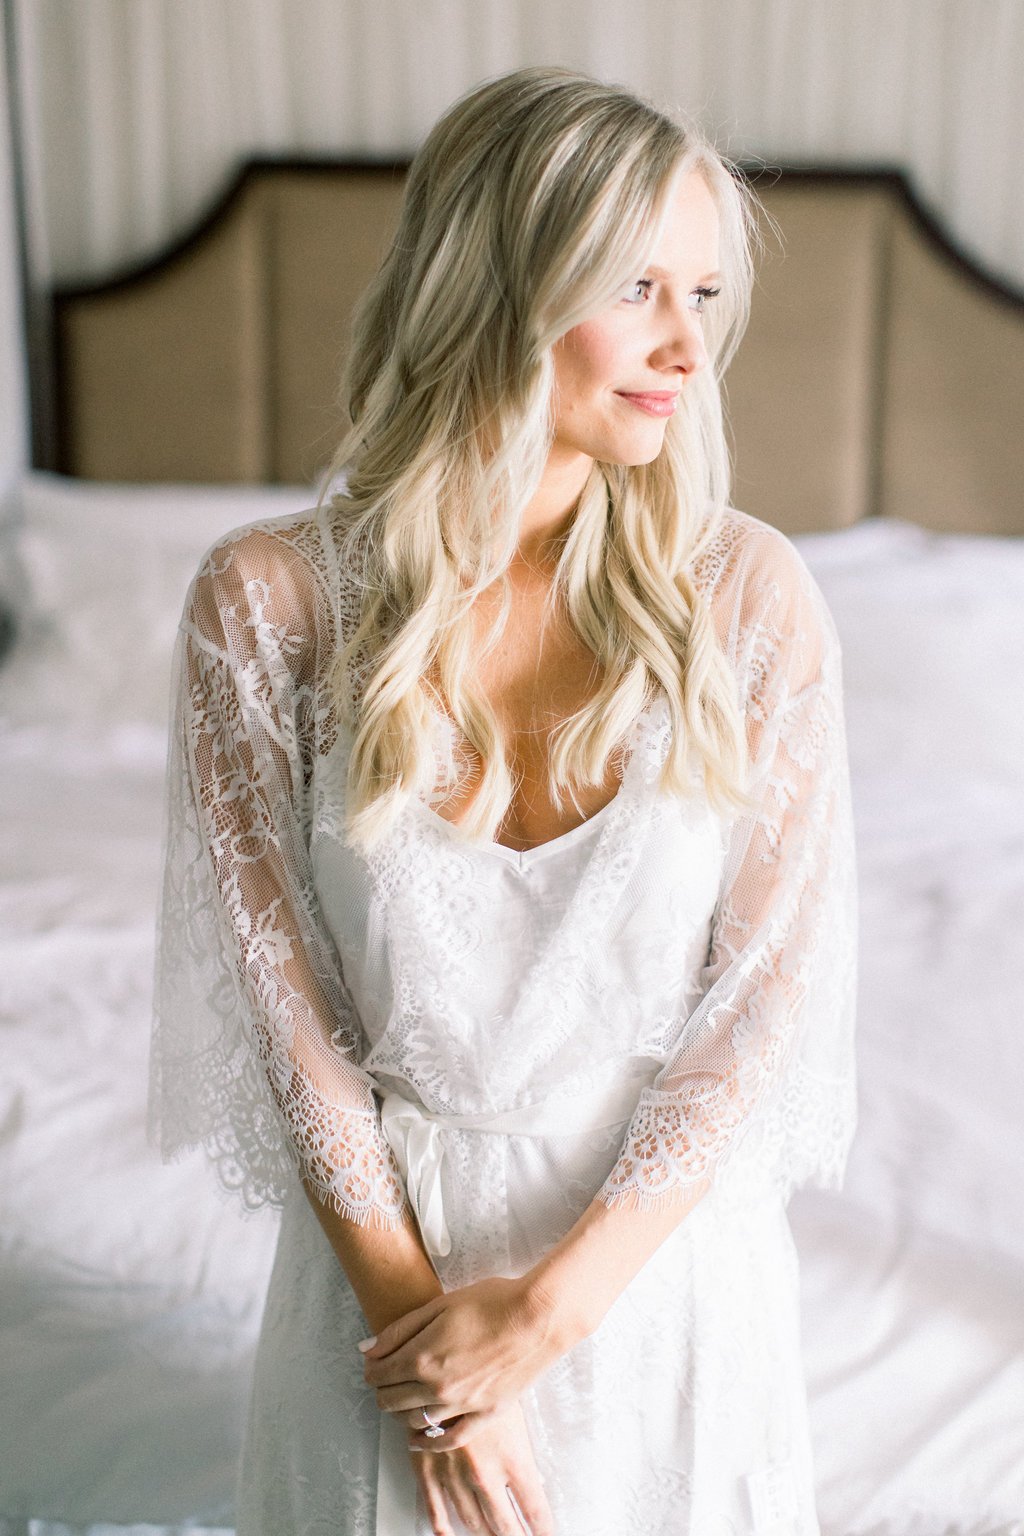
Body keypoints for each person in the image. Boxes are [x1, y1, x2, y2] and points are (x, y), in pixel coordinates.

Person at [151, 65, 857, 1536]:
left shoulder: (749, 601)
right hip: (382, 1309)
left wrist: (539, 1324)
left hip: (668, 1306)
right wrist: (438, 1369)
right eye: (641, 285)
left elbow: (763, 1006)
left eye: (706, 293)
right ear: (500, 286)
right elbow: (292, 1029)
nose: (687, 344)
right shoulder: (266, 607)